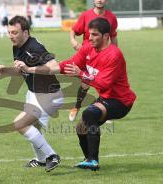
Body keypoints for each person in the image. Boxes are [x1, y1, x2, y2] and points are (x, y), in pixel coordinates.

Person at [15, 17, 136, 171]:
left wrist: (81, 74)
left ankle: (93, 161)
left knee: (89, 114)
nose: (90, 38)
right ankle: (87, 159)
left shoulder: (114, 55)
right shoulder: (88, 48)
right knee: (81, 128)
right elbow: (68, 65)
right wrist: (35, 69)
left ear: (106, 36)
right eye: (89, 34)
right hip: (106, 98)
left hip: (121, 101)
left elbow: (104, 83)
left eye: (95, 35)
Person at [0, 16, 63, 172]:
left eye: (15, 32)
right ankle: (41, 160)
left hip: (49, 96)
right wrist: (5, 70)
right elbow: (22, 71)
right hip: (34, 93)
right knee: (33, 129)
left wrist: (29, 68)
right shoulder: (17, 46)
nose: (11, 36)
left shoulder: (35, 47)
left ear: (25, 32)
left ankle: (52, 156)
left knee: (20, 124)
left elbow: (55, 67)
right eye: (9, 32)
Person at [69, 0, 118, 122]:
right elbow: (73, 31)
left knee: (105, 83)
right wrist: (74, 41)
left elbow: (113, 36)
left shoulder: (111, 17)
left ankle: (105, 111)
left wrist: (115, 54)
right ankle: (77, 107)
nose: (100, 0)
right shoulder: (86, 15)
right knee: (85, 84)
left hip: (105, 57)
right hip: (88, 56)